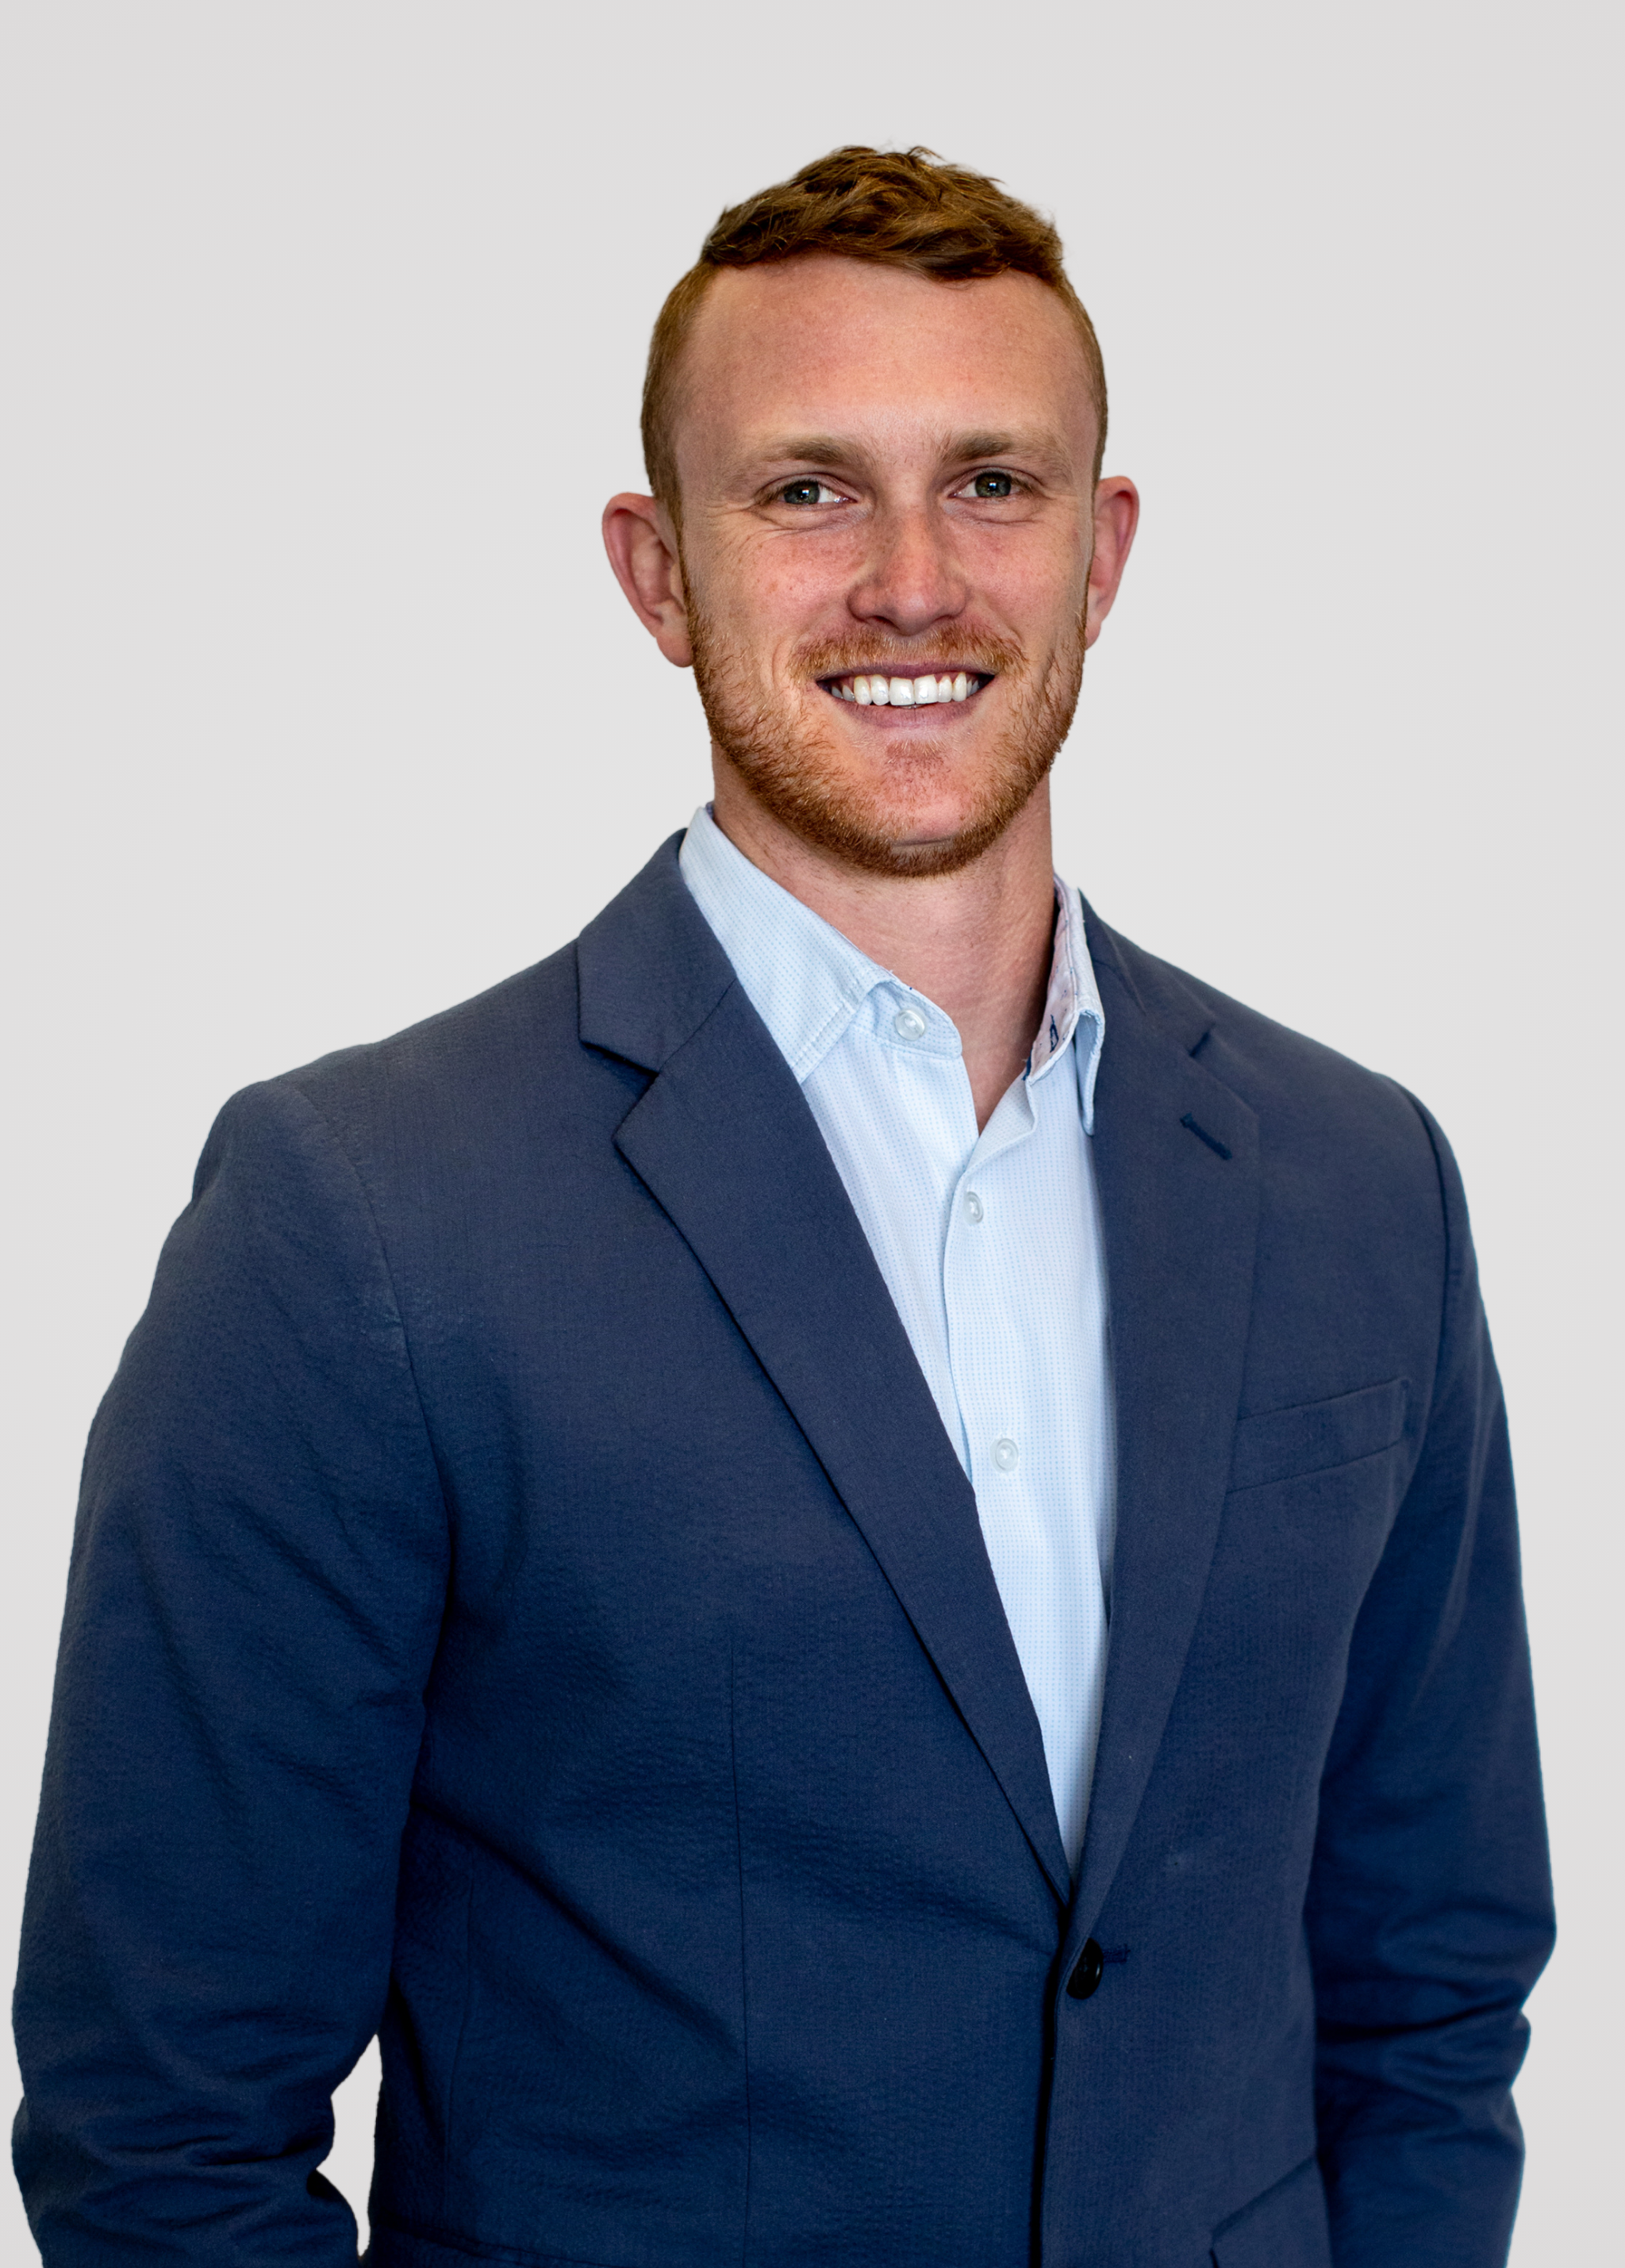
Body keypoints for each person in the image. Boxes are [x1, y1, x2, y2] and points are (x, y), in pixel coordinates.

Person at [13, 146, 1553, 2268]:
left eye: (994, 485)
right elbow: (160, 2133)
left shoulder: (1359, 1180)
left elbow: (1429, 2000)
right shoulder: (358, 1221)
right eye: (808, 490)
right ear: (659, 574)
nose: (913, 579)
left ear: (1103, 555)